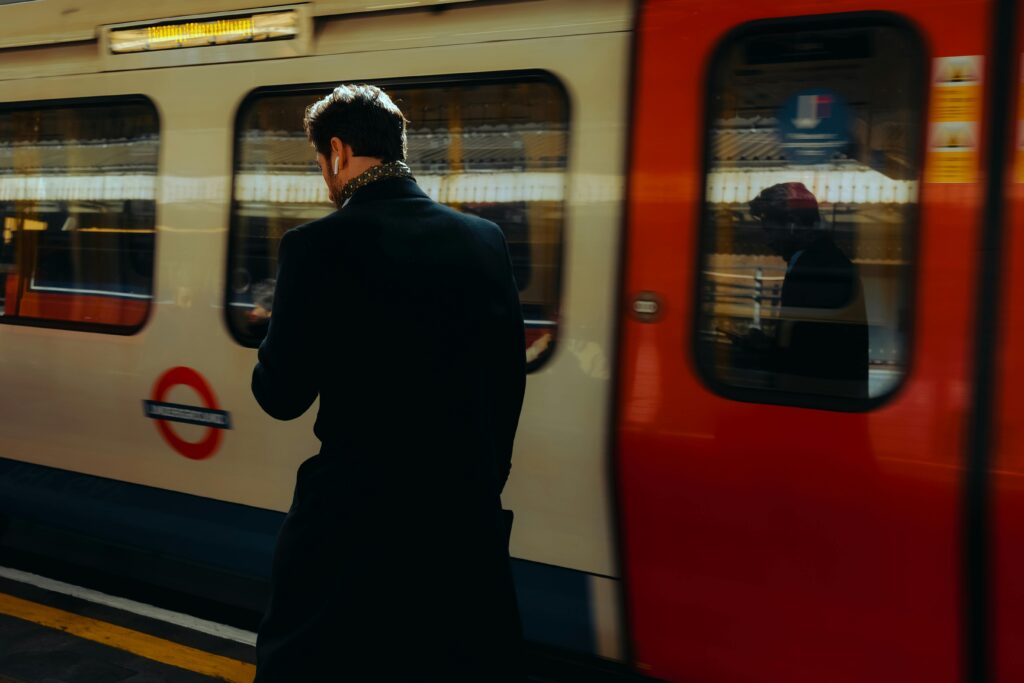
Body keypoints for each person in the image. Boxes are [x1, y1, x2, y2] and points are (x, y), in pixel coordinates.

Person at [251, 84, 526, 682]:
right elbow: (509, 380)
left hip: (355, 520)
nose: (324, 178)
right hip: (461, 519)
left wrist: (274, 328)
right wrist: (479, 483)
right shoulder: (484, 240)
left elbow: (281, 396)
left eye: (321, 162)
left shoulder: (315, 247)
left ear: (340, 151)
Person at [745, 182, 868, 398]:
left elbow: (811, 356)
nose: (767, 240)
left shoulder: (815, 268)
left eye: (769, 230)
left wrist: (766, 353)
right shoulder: (825, 260)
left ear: (793, 224)